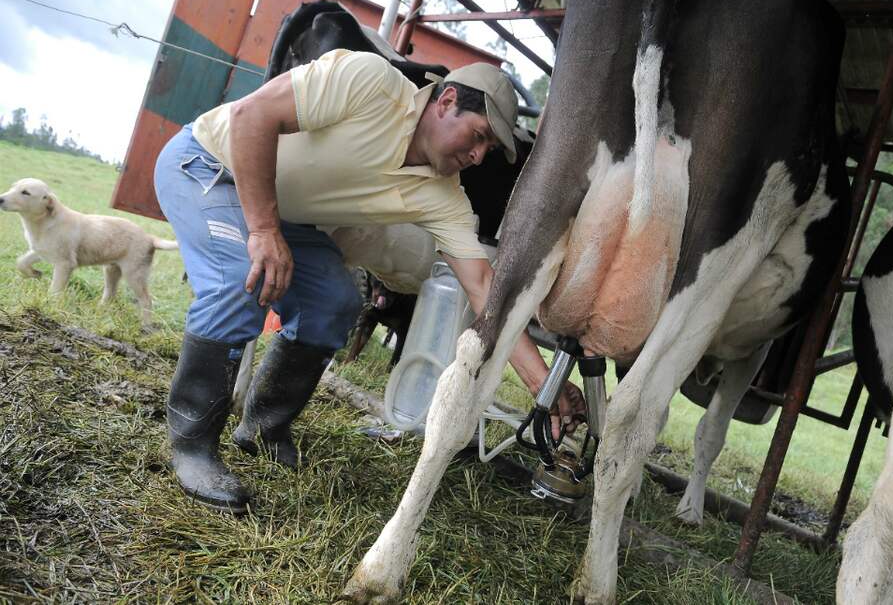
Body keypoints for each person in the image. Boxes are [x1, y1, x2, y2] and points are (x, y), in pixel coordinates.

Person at [153, 49, 585, 514]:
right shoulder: (368, 81)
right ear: (446, 100)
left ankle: (263, 427)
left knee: (336, 301)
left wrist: (546, 386)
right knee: (243, 280)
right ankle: (193, 445)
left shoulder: (443, 196)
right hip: (211, 167)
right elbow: (250, 114)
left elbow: (483, 288)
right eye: (479, 136)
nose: (479, 156)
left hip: (286, 215)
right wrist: (262, 230)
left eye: (490, 150)